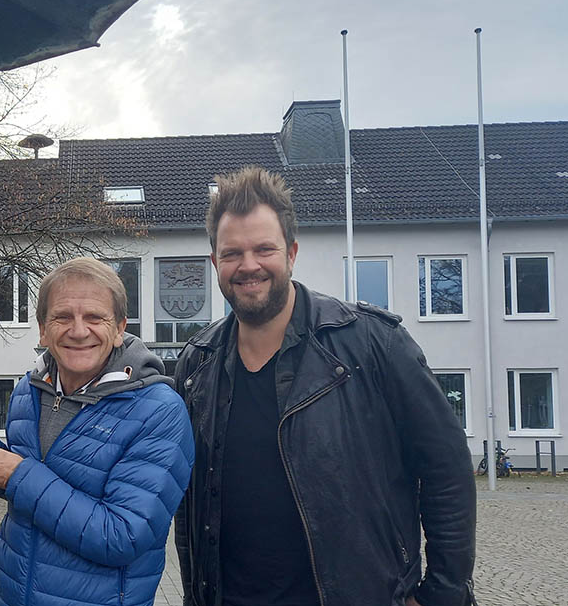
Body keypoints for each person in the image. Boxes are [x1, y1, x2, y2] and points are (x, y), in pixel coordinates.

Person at [173, 166, 476, 606]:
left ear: (291, 253)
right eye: (232, 253)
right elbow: (186, 504)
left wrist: (442, 594)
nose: (249, 265)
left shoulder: (373, 345)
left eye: (264, 249)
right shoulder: (196, 365)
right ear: (215, 262)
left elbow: (446, 469)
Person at [0, 257, 195, 606]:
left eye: (94, 317)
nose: (78, 330)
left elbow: (123, 536)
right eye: (62, 317)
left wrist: (16, 475)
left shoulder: (158, 411)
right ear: (43, 329)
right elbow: (29, 485)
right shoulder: (29, 392)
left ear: (119, 328)